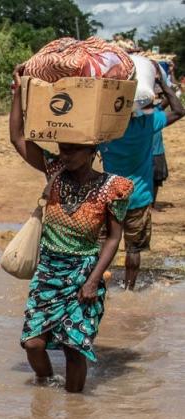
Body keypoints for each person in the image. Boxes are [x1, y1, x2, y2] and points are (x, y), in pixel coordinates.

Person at [10, 66, 134, 393]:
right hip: (49, 268)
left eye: (74, 149)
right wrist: (17, 94)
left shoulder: (113, 188)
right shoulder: (53, 171)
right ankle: (45, 382)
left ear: (93, 151)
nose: (66, 155)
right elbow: (18, 138)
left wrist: (94, 280)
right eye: (63, 148)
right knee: (33, 343)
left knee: (73, 347)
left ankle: (74, 409)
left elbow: (114, 237)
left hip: (84, 270)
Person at [99, 61, 183, 290]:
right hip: (139, 197)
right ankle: (129, 289)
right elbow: (178, 110)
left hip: (109, 195)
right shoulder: (147, 123)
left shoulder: (106, 128)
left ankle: (97, 283)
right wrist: (164, 85)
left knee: (104, 243)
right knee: (133, 249)